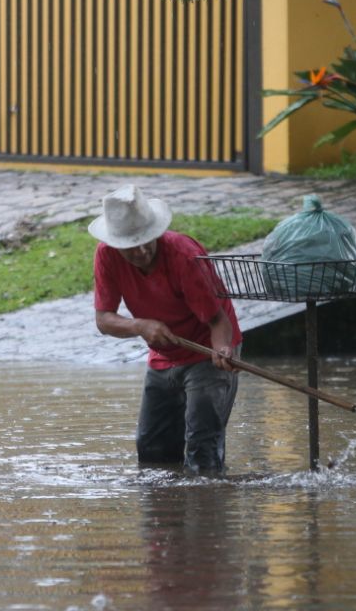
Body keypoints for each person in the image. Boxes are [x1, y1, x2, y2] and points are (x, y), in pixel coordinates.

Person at [90, 184, 242, 473]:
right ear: (115, 244)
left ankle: (208, 496)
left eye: (147, 240)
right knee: (152, 451)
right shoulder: (106, 255)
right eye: (131, 245)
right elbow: (104, 319)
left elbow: (218, 320)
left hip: (206, 349)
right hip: (163, 355)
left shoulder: (183, 255)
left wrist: (223, 349)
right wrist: (139, 325)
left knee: (202, 451)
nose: (142, 250)